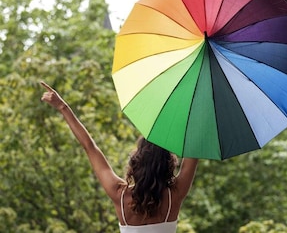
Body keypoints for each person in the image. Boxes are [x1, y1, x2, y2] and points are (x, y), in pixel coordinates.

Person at [40, 81, 198, 233]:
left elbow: (89, 147)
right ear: (167, 164)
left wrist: (63, 107)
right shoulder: (174, 195)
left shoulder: (120, 195)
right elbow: (194, 147)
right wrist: (197, 102)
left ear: (137, 162)